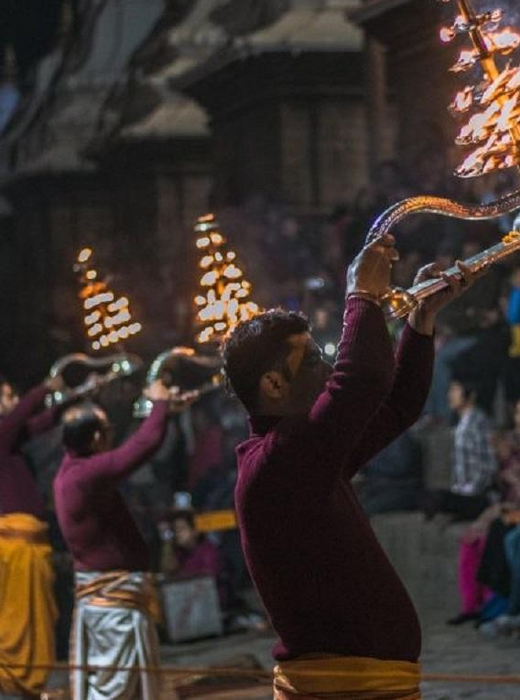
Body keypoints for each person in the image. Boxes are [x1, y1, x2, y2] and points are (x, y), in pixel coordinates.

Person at [223, 233, 477, 700]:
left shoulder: (305, 458)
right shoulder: (275, 466)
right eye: (314, 358)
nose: (328, 367)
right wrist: (362, 295)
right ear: (274, 384)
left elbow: (395, 405)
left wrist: (420, 322)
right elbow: (360, 380)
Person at [54, 381, 192, 700]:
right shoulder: (84, 475)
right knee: (116, 692)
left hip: (112, 601)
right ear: (97, 437)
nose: (113, 435)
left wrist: (166, 412)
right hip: (112, 606)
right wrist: (159, 403)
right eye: (108, 429)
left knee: (126, 689)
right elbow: (142, 447)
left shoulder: (74, 470)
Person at [0, 373, 65, 700]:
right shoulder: (2, 435)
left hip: (29, 546)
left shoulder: (8, 440)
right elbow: (18, 420)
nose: (13, 402)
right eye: (7, 396)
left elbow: (33, 425)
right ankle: (11, 688)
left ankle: (24, 689)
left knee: (33, 624)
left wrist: (68, 400)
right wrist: (43, 389)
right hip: (13, 548)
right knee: (15, 626)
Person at [425, 379, 496, 523]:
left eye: (455, 390)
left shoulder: (478, 423)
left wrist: (468, 492)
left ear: (471, 395)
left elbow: (489, 467)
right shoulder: (460, 425)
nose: (450, 395)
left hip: (478, 495)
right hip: (461, 493)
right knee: (428, 496)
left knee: (438, 499)